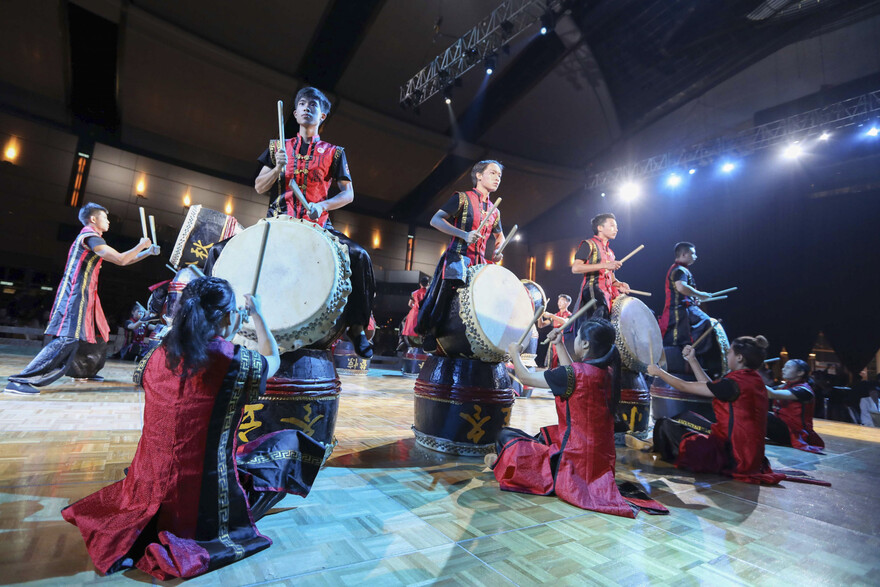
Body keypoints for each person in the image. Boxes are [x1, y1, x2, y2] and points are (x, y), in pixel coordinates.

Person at [62, 277, 325, 580]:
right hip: (199, 499)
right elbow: (273, 359)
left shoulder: (156, 355)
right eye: (233, 312)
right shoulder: (230, 359)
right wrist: (258, 314)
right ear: (227, 316)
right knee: (291, 445)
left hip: (145, 483)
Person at [486, 318, 666, 518]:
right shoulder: (607, 373)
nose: (577, 340)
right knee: (540, 436)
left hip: (573, 462)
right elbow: (574, 375)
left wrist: (514, 354)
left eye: (578, 337)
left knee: (505, 436)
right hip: (598, 461)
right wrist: (560, 345)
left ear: (586, 344)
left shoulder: (575, 374)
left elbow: (527, 378)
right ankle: (511, 461)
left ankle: (505, 464)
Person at [254, 86, 376, 358]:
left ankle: (356, 329)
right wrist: (277, 169)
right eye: (302, 104)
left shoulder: (334, 152)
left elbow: (348, 194)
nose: (307, 107)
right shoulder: (278, 147)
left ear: (322, 116)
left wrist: (322, 205)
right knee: (219, 251)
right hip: (279, 223)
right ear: (295, 113)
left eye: (314, 105)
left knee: (361, 257)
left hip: (318, 225)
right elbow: (259, 187)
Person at [4, 203, 159, 395]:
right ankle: (21, 380)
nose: (109, 221)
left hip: (88, 294)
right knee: (68, 338)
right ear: (93, 219)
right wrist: (140, 245)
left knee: (98, 334)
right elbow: (119, 258)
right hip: (75, 293)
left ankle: (84, 370)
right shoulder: (90, 237)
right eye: (105, 217)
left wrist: (146, 252)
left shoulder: (95, 239)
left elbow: (124, 260)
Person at [645, 336, 787, 484]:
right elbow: (710, 386)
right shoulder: (753, 380)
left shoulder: (734, 383)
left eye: (730, 352)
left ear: (739, 358)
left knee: (664, 426)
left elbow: (684, 386)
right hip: (751, 455)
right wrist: (692, 360)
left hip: (733, 456)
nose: (727, 355)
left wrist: (659, 372)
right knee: (687, 416)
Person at [416, 160, 505, 351]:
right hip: (458, 256)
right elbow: (435, 220)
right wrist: (464, 234)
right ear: (479, 175)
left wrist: (497, 251)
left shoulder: (494, 211)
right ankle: (432, 332)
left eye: (499, 175)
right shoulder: (462, 198)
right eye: (493, 173)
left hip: (480, 262)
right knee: (449, 289)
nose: (497, 178)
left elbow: (500, 237)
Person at [570, 213, 630, 321]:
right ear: (600, 228)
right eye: (612, 226)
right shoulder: (588, 244)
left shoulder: (611, 253)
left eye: (616, 227)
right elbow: (576, 268)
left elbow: (611, 279)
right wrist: (605, 265)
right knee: (601, 314)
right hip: (594, 289)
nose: (616, 229)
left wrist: (619, 284)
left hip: (608, 293)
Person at [657, 242, 714, 354]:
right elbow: (681, 287)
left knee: (705, 322)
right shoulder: (679, 270)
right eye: (692, 254)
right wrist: (700, 294)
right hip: (679, 311)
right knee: (705, 322)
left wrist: (694, 299)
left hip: (684, 309)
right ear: (683, 254)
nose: (695, 256)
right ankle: (692, 355)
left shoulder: (681, 269)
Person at [765, 359, 825, 453]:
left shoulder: (804, 390)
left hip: (796, 434)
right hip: (783, 429)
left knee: (764, 416)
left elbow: (771, 394)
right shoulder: (783, 386)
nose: (783, 369)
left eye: (788, 367)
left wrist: (752, 374)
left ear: (800, 372)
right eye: (784, 367)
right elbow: (761, 392)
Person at [538, 293, 572, 368]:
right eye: (558, 301)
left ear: (568, 303)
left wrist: (550, 315)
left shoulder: (570, 315)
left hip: (565, 343)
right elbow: (541, 325)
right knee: (551, 364)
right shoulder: (555, 315)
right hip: (553, 344)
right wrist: (540, 314)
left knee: (563, 364)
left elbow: (565, 322)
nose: (559, 303)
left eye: (562, 301)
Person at [401, 276, 430, 341]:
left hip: (415, 313)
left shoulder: (414, 293)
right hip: (426, 313)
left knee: (404, 322)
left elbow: (410, 304)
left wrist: (415, 306)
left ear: (420, 284)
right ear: (428, 284)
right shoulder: (430, 293)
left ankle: (402, 341)